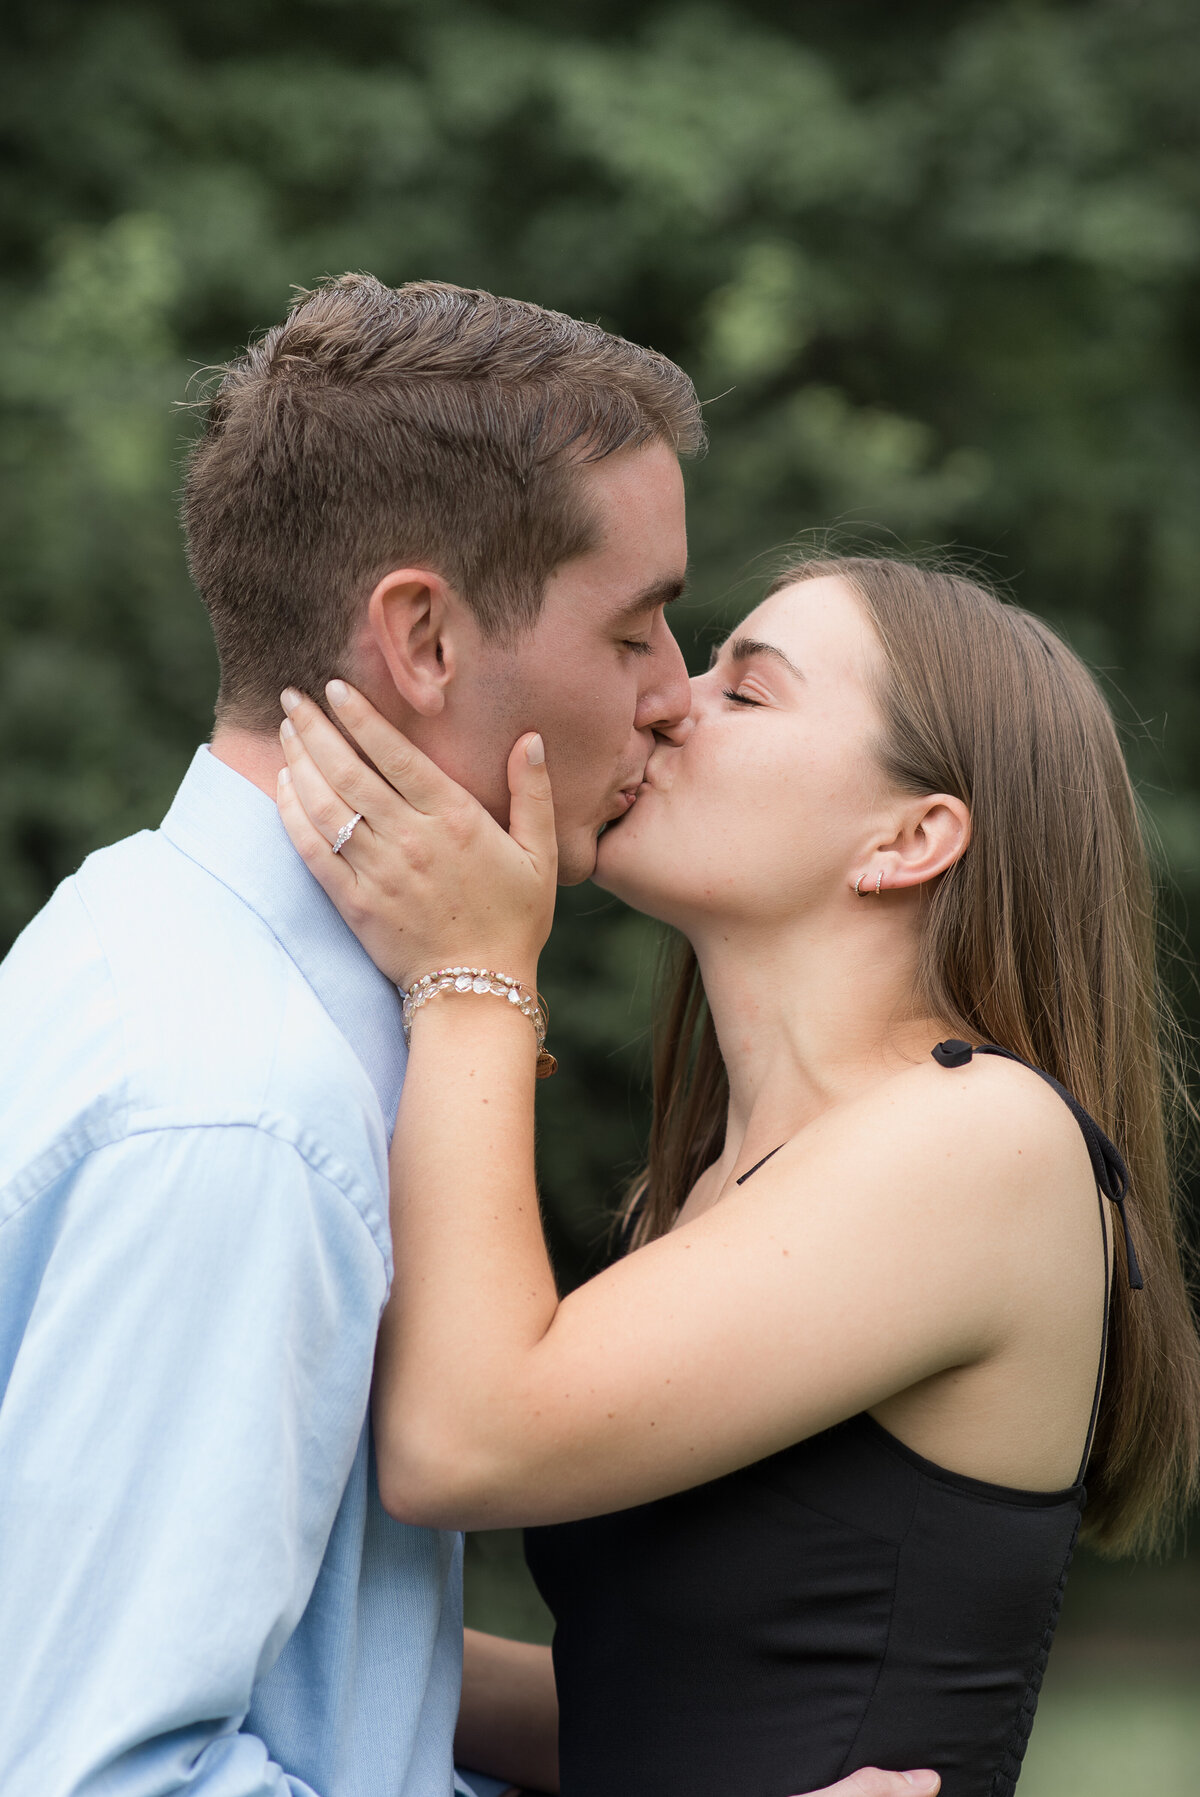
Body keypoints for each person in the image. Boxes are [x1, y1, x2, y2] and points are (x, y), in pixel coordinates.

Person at [0, 272, 934, 1797]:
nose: (673, 698)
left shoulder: (133, 940)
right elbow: (101, 1777)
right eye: (636, 629)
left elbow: (328, 1695)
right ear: (424, 639)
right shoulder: (244, 1111)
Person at [274, 553, 1200, 1796]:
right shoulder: (707, 1187)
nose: (668, 701)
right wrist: (229, 1632)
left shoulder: (987, 1143)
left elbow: (460, 1441)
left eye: (747, 692)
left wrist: (478, 976)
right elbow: (648, 1707)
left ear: (911, 838)